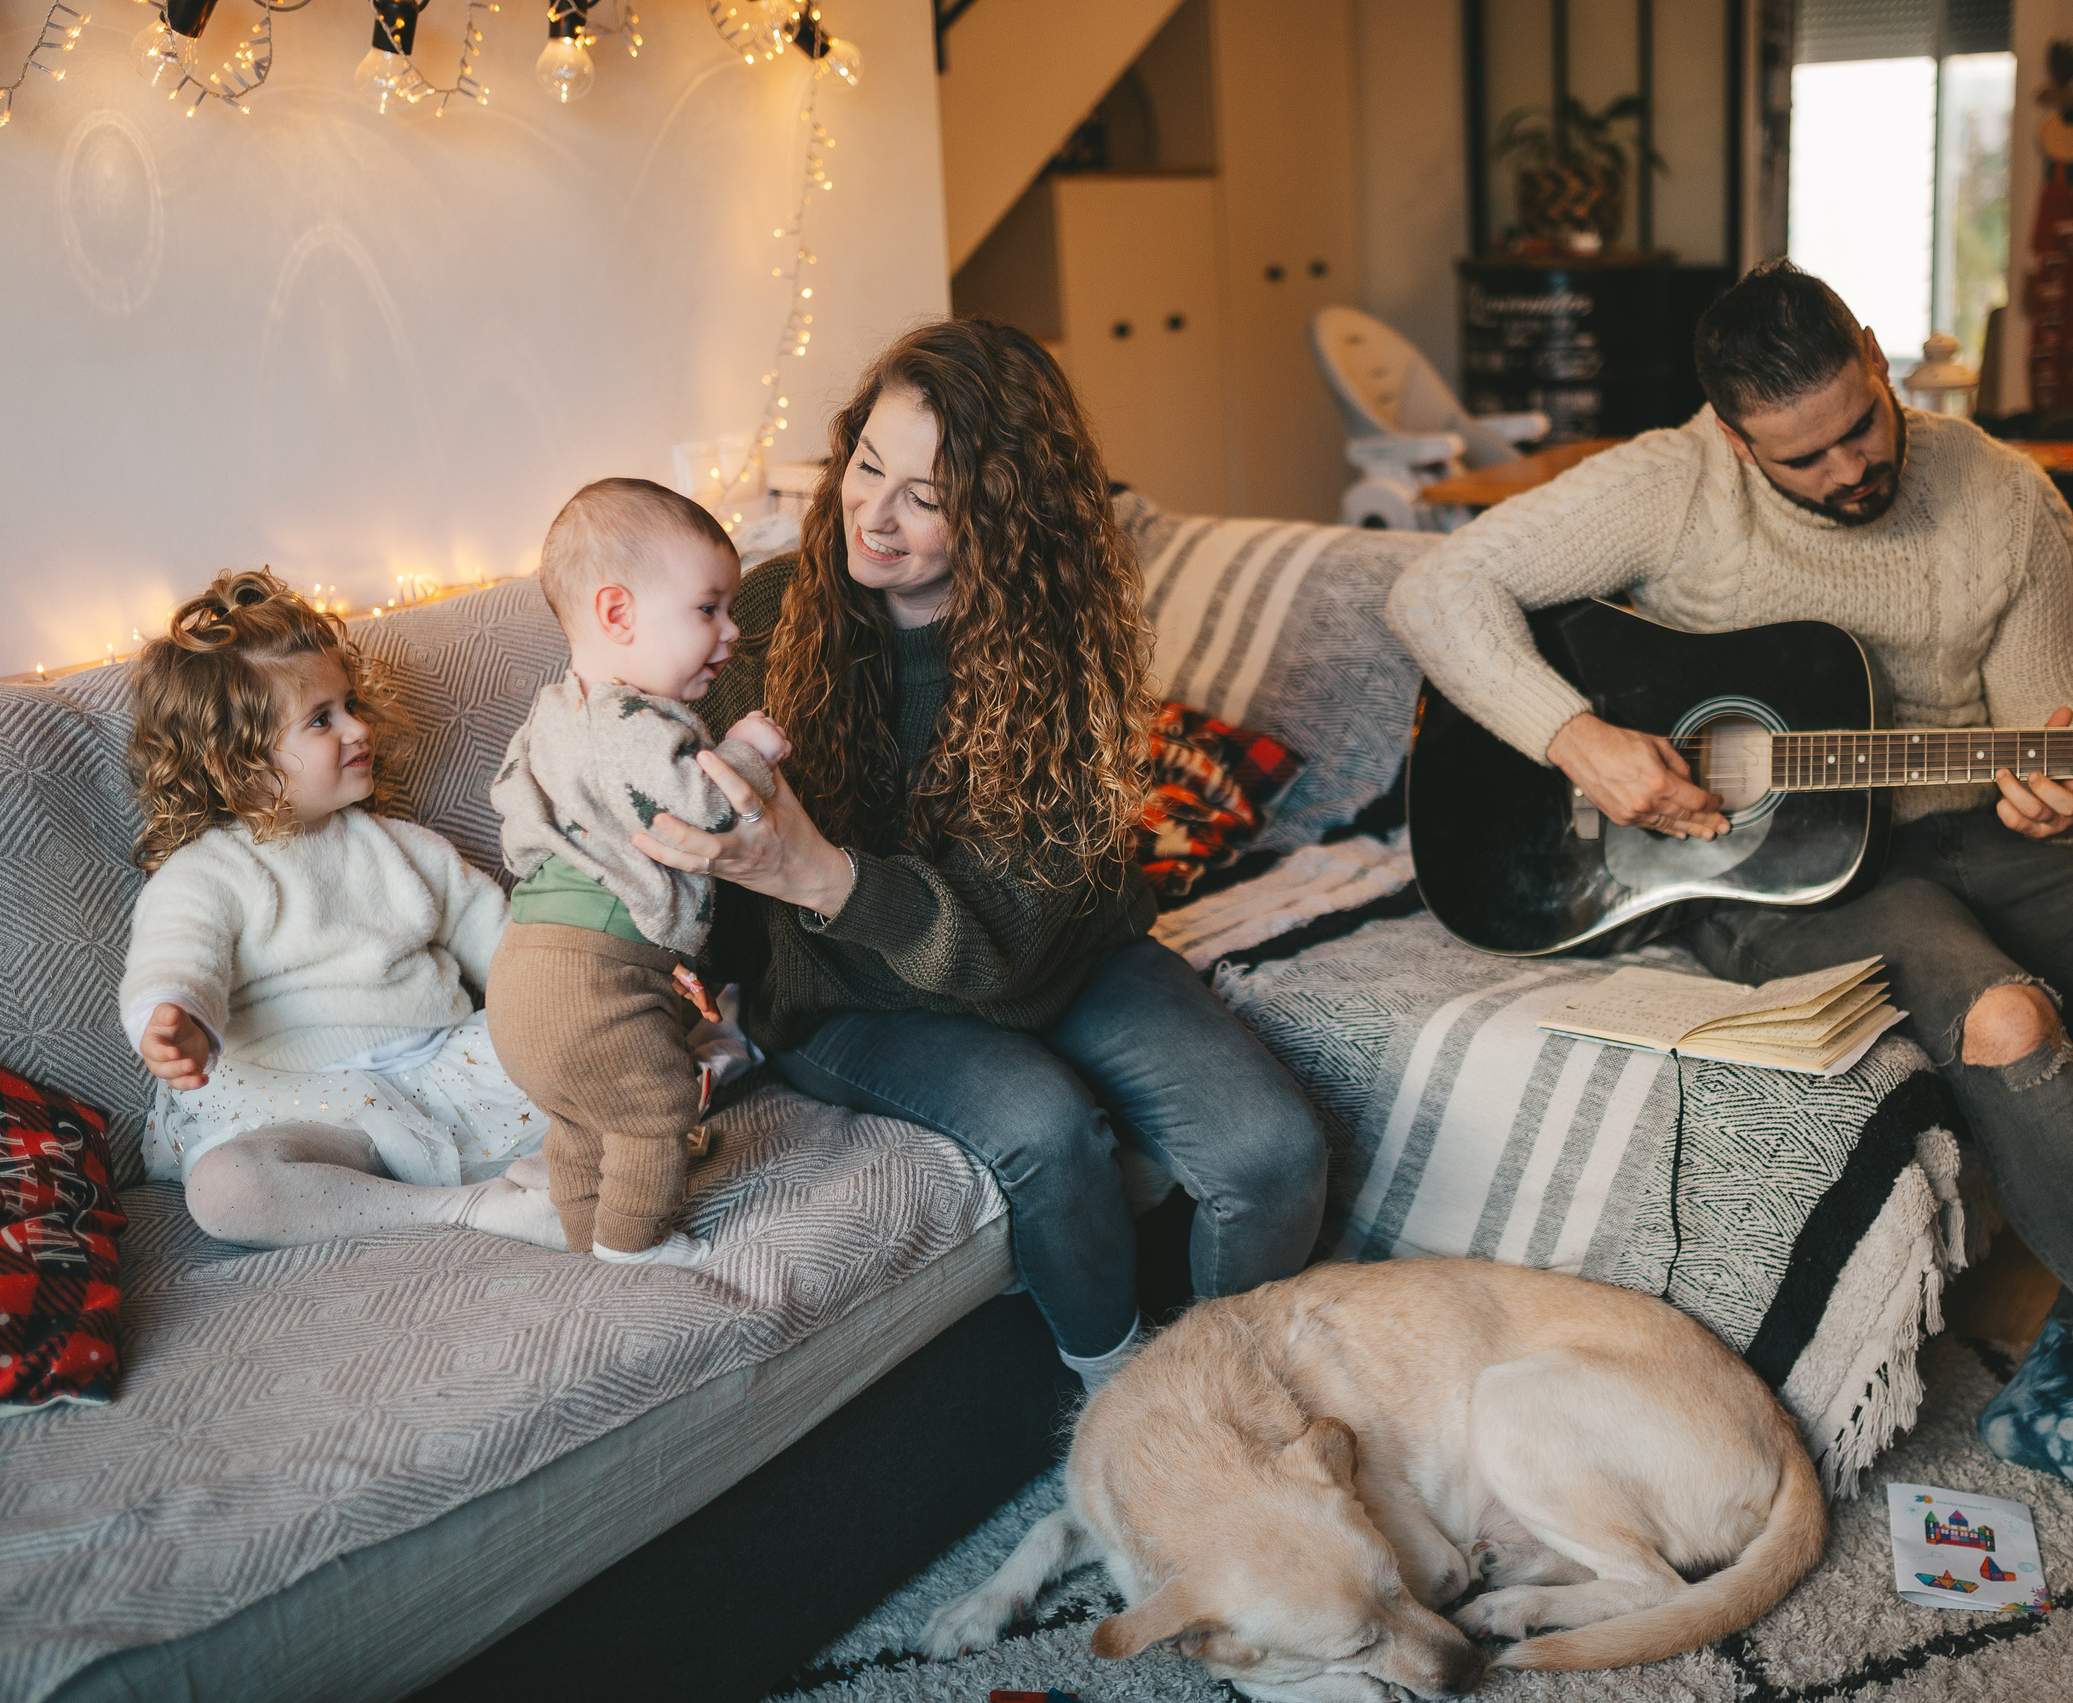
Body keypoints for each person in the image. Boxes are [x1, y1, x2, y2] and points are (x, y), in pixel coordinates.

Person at [1384, 261, 2073, 1581]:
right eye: (1803, 456)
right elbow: (1433, 593)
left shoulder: (2004, 499)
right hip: (1790, 876)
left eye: (1860, 425)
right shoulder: (1669, 483)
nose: (1845, 470)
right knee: (2006, 1016)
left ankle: (2067, 1373)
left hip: (1983, 841)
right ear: (1731, 435)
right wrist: (1581, 737)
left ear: (1881, 362)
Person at [637, 319, 1328, 1391]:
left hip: (1049, 953)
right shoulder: (767, 620)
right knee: (1049, 1128)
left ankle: (1214, 1400)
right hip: (844, 988)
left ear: (1004, 512)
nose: (874, 511)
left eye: (928, 491)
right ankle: (1123, 1401)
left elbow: (1011, 933)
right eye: (868, 463)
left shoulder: (1063, 654)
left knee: (1273, 1155)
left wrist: (817, 870)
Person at [118, 570, 562, 1251]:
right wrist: (176, 1018)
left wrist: (578, 999)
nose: (358, 727)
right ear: (238, 762)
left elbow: (505, 944)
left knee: (606, 1054)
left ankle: (562, 1169)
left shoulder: (405, 848)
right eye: (322, 718)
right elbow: (178, 958)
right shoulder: (207, 872)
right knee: (225, 1186)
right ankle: (467, 1207)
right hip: (305, 1108)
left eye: (350, 703)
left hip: (449, 1071)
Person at [486, 477, 793, 1267]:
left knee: (581, 1118)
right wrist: (749, 754)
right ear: (618, 614)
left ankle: (587, 1231)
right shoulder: (629, 721)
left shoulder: (557, 713)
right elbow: (704, 811)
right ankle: (634, 1243)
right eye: (708, 608)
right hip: (594, 975)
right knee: (657, 1106)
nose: (731, 632)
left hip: (524, 974)